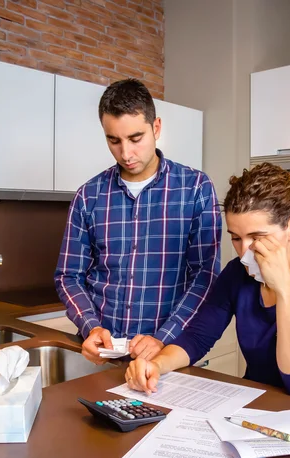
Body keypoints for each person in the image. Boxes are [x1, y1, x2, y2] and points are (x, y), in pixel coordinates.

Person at [125, 162, 290, 407]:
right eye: (236, 238)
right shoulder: (237, 273)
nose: (245, 250)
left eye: (258, 237)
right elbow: (197, 338)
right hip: (263, 406)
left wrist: (285, 288)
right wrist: (156, 365)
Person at [55, 79, 222, 365]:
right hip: (103, 358)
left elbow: (205, 276)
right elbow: (68, 276)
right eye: (114, 140)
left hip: (166, 357)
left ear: (156, 128)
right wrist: (90, 326)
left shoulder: (195, 188)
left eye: (135, 138)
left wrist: (163, 337)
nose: (126, 154)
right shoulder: (88, 195)